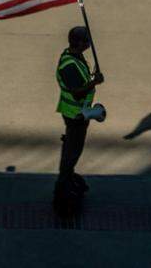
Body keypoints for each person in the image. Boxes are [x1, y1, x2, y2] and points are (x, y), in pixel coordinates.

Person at [56, 26, 104, 190]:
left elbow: (80, 81)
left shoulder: (75, 56)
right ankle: (65, 179)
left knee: (73, 145)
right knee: (73, 149)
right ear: (78, 43)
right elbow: (77, 92)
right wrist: (94, 82)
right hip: (75, 114)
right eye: (86, 41)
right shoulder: (68, 64)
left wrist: (91, 77)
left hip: (79, 113)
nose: (89, 43)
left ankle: (68, 173)